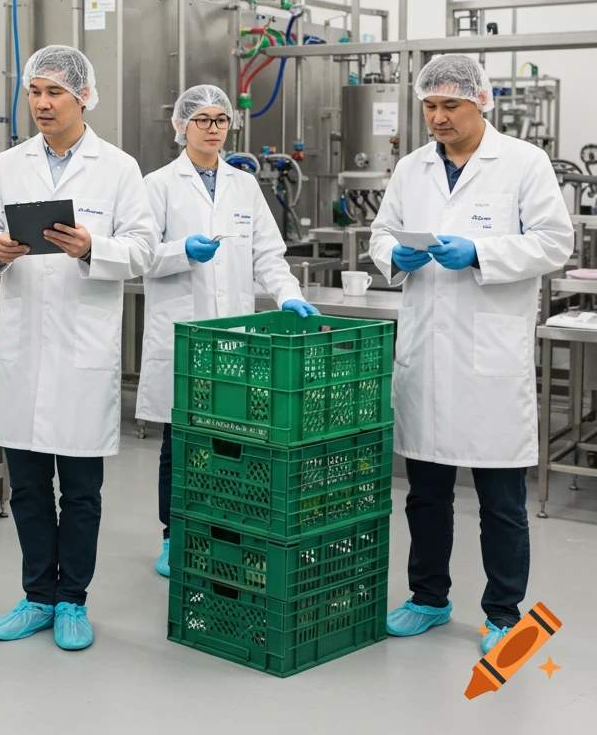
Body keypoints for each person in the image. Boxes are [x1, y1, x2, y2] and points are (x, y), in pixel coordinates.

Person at [367, 55, 572, 654]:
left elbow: (554, 241)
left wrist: (481, 253)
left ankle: (504, 615)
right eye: (429, 106)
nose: (438, 117)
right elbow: (384, 231)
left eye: (450, 105)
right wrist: (392, 258)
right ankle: (429, 597)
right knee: (425, 493)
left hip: (490, 358)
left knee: (500, 502)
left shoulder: (523, 164)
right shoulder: (412, 167)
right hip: (428, 355)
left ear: (481, 102)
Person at [0, 45, 157, 652]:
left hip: (82, 349)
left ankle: (73, 599)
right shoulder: (9, 163)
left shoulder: (119, 168)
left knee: (80, 491)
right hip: (24, 349)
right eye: (34, 93)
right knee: (26, 488)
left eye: (54, 93)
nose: (43, 104)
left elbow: (144, 250)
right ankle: (36, 596)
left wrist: (89, 248)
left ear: (83, 97)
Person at [138, 85, 319, 577]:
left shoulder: (244, 186)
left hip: (235, 337)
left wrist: (289, 295)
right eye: (202, 120)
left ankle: (224, 526)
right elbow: (139, 255)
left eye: (220, 120)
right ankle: (174, 535)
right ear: (181, 126)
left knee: (232, 441)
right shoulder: (157, 185)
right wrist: (180, 252)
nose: (213, 128)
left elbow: (268, 256)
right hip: (182, 332)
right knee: (180, 443)